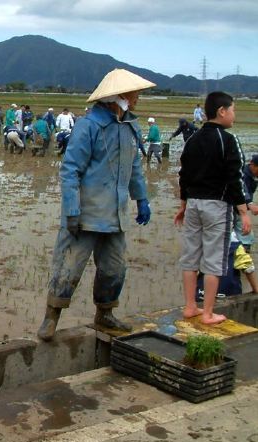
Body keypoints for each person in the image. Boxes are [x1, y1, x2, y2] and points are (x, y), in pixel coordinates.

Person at [37, 68, 155, 342]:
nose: (137, 97)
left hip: (115, 214)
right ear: (120, 96)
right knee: (69, 267)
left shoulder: (130, 127)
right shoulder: (88, 126)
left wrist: (142, 198)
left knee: (114, 268)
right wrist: (72, 210)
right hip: (86, 213)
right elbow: (70, 171)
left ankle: (105, 313)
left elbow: (134, 166)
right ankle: (51, 317)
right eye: (134, 93)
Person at [174, 91, 251, 325]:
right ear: (222, 111)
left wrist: (184, 205)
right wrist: (244, 211)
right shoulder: (228, 140)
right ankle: (207, 313)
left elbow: (184, 175)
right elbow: (235, 178)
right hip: (217, 205)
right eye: (233, 110)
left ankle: (190, 307)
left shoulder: (193, 139)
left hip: (194, 204)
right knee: (214, 260)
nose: (234, 115)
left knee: (191, 257)